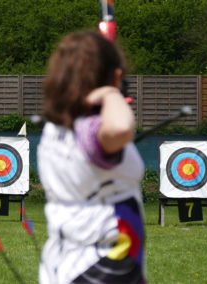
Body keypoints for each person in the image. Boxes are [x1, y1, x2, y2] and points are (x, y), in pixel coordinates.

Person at [37, 31, 146, 284]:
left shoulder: (56, 127)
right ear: (115, 77)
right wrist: (111, 93)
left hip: (62, 266)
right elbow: (120, 128)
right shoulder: (91, 132)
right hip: (105, 265)